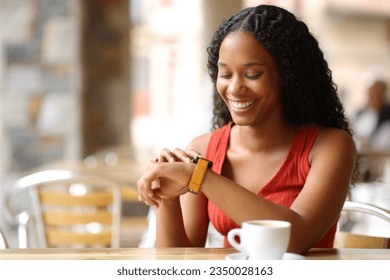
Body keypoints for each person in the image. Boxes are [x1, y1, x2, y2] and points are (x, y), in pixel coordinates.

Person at [137, 4, 357, 254]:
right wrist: (167, 199)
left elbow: (294, 239)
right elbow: (177, 261)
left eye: (252, 74)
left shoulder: (330, 146)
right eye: (225, 74)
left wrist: (199, 177)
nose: (234, 88)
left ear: (288, 76)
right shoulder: (203, 149)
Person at [352, 79, 390, 150]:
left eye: (376, 93)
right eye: (370, 92)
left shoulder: (387, 118)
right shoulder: (360, 113)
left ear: (383, 94)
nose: (371, 96)